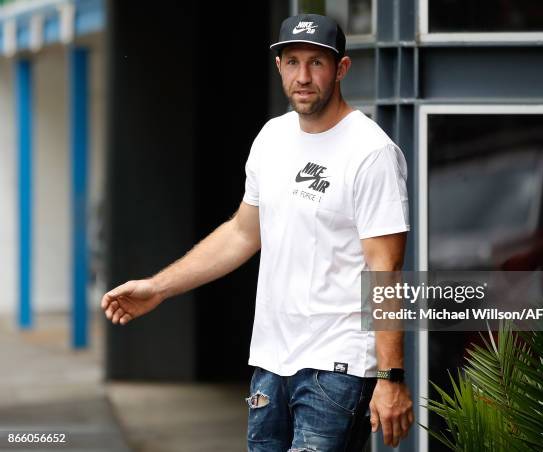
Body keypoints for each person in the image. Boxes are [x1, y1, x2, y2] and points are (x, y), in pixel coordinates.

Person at [101, 13, 414, 451]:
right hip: (271, 362)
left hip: (338, 367)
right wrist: (158, 288)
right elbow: (242, 233)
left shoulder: (371, 152)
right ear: (279, 67)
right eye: (292, 62)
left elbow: (386, 271)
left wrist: (390, 376)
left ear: (341, 68)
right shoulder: (273, 138)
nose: (303, 76)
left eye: (317, 63)